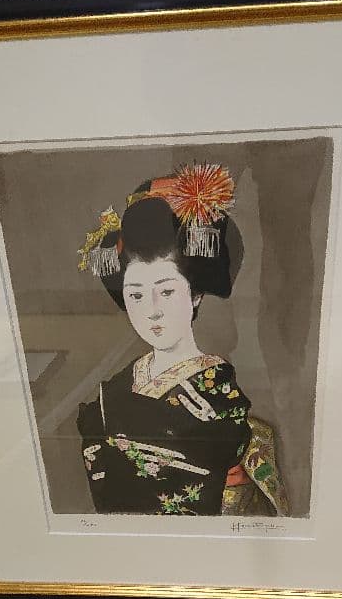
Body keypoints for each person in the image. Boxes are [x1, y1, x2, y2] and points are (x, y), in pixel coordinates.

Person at [76, 163, 287, 517]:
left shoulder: (221, 398)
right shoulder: (111, 394)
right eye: (136, 295)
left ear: (196, 295)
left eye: (167, 292)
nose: (152, 311)